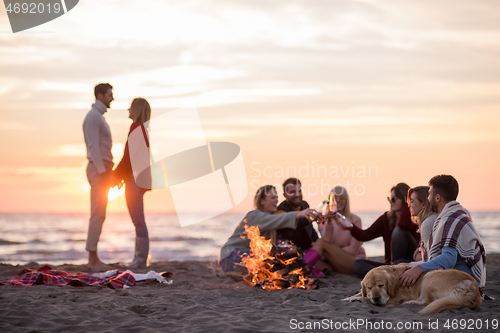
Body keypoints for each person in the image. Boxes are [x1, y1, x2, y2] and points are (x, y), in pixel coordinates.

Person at [399, 175, 489, 299]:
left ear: (437, 198)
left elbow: (449, 258)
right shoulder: (457, 213)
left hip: (462, 284)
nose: (427, 197)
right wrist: (411, 266)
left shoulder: (450, 219)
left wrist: (418, 268)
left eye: (429, 194)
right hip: (462, 279)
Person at [219, 185, 315, 273]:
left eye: (277, 198)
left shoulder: (271, 223)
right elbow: (279, 218)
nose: (276, 200)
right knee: (267, 254)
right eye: (273, 198)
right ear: (262, 201)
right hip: (230, 257)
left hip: (245, 259)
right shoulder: (254, 215)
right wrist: (299, 214)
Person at [345, 183, 419, 277]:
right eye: (389, 199)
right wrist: (350, 227)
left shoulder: (414, 218)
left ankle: (392, 272)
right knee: (358, 264)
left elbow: (402, 225)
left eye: (394, 199)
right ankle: (387, 274)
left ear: (405, 200)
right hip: (391, 265)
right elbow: (364, 235)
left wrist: (406, 205)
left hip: (409, 264)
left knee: (399, 232)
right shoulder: (386, 219)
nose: (390, 202)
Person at [112, 98, 152, 268]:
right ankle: (139, 259)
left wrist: (114, 175)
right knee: (138, 220)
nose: (128, 110)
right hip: (139, 179)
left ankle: (140, 261)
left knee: (138, 221)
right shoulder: (143, 129)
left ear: (135, 110)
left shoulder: (136, 128)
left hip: (135, 180)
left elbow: (128, 156)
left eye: (130, 108)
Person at [82, 83, 114, 270]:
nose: (112, 98)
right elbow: (93, 147)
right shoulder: (93, 117)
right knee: (97, 214)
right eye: (110, 95)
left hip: (102, 170)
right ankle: (92, 259)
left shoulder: (98, 117)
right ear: (100, 96)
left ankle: (94, 256)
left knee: (100, 214)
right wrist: (103, 173)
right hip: (98, 170)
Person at [312, 186, 366, 275]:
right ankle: (326, 273)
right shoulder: (324, 221)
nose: (338, 201)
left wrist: (331, 253)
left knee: (320, 242)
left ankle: (302, 267)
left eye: (341, 198)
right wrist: (329, 223)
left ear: (346, 200)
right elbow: (328, 241)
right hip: (335, 263)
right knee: (314, 257)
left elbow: (353, 250)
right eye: (334, 198)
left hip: (353, 262)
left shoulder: (355, 220)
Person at [275, 178, 318, 251]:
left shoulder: (304, 205)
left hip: (308, 251)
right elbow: (295, 224)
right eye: (292, 192)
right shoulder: (280, 210)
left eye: (299, 191)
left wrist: (316, 242)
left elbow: (310, 230)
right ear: (285, 195)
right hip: (293, 255)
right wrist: (312, 218)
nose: (297, 195)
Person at [407, 186, 437, 264]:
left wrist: (409, 265)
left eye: (412, 201)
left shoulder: (427, 223)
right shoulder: (433, 218)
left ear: (423, 204)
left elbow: (430, 262)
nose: (409, 205)